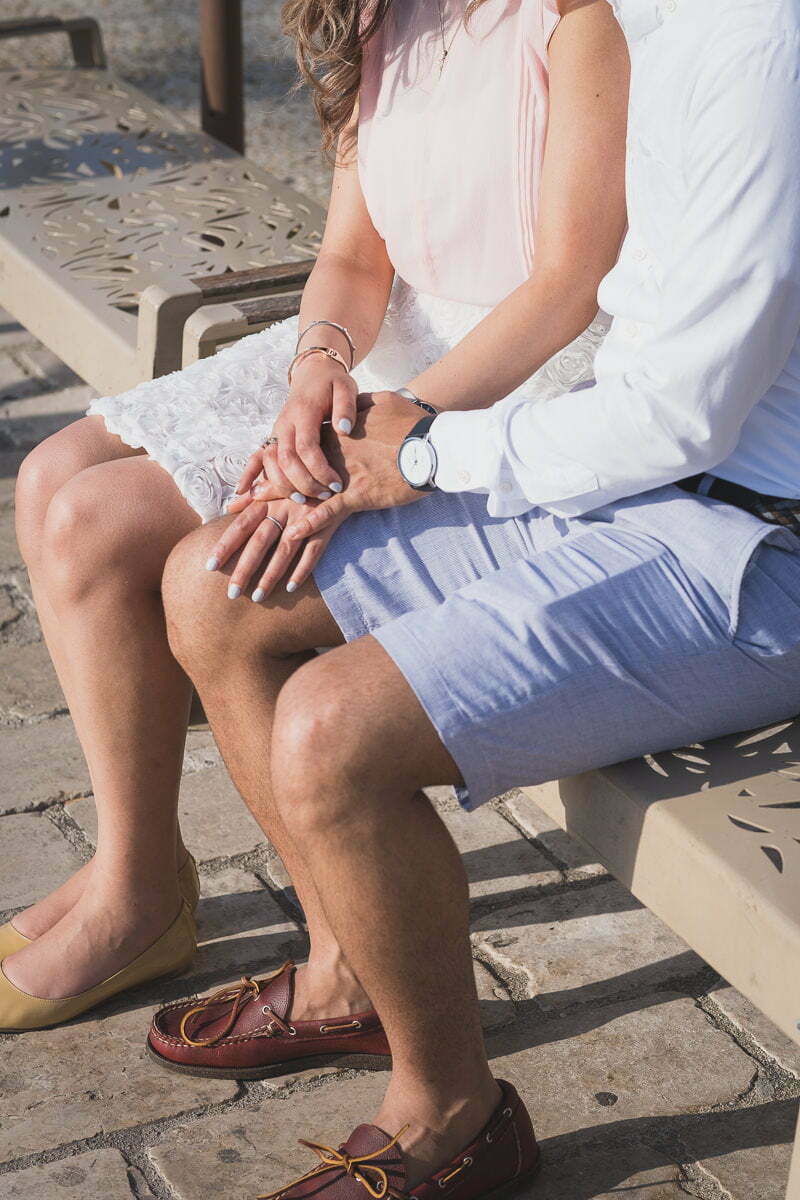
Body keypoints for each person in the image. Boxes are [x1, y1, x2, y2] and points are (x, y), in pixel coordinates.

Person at [143, 0, 800, 1194]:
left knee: (335, 731)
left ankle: (452, 1116)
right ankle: (349, 978)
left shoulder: (758, 39)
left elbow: (682, 407)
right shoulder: (639, 18)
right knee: (215, 580)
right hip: (624, 471)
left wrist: (426, 452)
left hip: (753, 540)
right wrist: (351, 405)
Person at [1, 0, 628, 1055]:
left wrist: (396, 433)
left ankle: (340, 949)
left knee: (202, 553)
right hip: (393, 339)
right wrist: (317, 368)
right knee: (60, 487)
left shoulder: (579, 20)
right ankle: (138, 878)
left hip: (528, 380)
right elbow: (352, 257)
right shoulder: (379, 11)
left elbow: (569, 284)